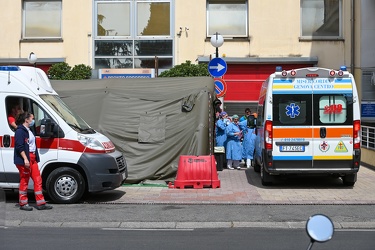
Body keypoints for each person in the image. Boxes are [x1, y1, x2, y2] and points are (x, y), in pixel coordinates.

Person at [14, 111, 53, 211]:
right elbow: (19, 146)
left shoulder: (28, 130)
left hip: (32, 157)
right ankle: (23, 203)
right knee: (25, 180)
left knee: (37, 179)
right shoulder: (20, 131)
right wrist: (25, 159)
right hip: (25, 159)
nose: (33, 120)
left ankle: (41, 203)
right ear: (26, 120)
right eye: (32, 118)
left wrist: (34, 157)